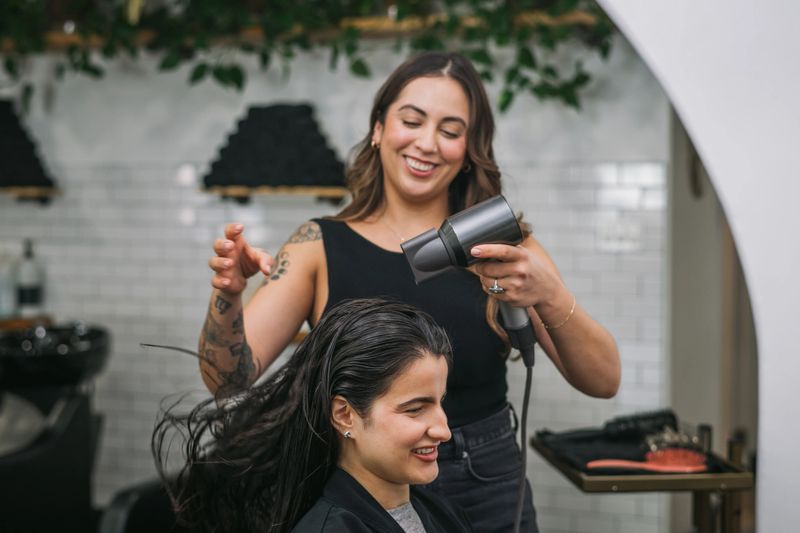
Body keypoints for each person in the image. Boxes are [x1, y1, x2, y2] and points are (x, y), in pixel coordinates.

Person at [200, 51, 621, 532]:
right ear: (379, 128)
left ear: (468, 149)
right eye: (412, 120)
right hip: (364, 489)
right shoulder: (317, 245)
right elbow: (226, 380)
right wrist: (227, 300)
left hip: (483, 482)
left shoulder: (503, 247)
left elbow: (603, 380)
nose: (427, 143)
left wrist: (548, 293)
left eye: (450, 130)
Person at [154, 298, 473, 532]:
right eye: (415, 410)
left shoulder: (441, 513)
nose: (443, 430)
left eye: (440, 402)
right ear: (345, 415)